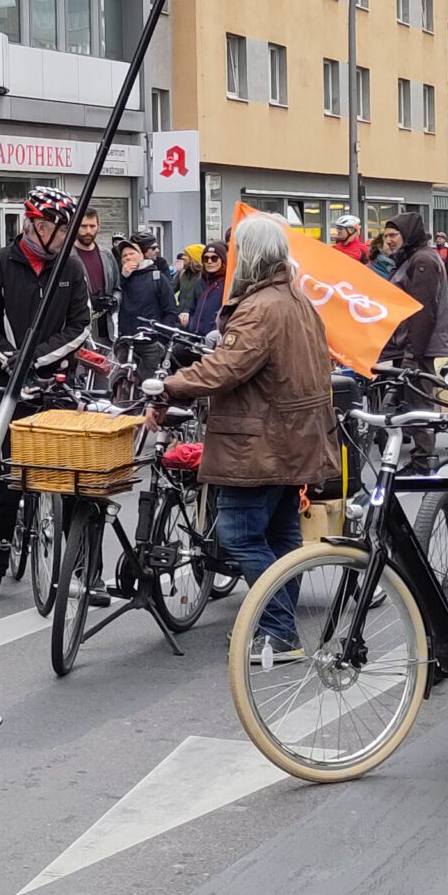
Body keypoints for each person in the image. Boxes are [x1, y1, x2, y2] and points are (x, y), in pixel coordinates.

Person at [151, 215, 335, 657]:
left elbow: (226, 368)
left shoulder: (259, 308)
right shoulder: (296, 300)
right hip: (293, 438)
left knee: (240, 535)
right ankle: (278, 630)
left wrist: (170, 385)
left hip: (258, 443)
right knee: (282, 537)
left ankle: (279, 630)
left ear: (249, 256)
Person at [0, 188, 90, 601]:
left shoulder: (71, 266)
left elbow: (81, 325)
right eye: (61, 230)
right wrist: (10, 359)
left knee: (72, 479)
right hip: (8, 383)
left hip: (56, 381)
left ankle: (83, 569)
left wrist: (35, 357)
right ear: (37, 226)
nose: (67, 238)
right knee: (7, 480)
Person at [379, 212, 448, 365]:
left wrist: (412, 355)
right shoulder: (410, 258)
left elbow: (423, 311)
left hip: (419, 351)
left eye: (393, 235)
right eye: (385, 236)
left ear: (407, 234)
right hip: (408, 347)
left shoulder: (422, 260)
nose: (388, 241)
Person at [115, 235, 175, 337]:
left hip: (153, 338)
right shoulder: (120, 280)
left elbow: (170, 310)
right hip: (127, 338)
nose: (128, 257)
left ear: (141, 256)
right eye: (124, 255)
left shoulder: (157, 277)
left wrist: (163, 336)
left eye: (132, 253)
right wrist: (123, 278)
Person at [69, 209, 112, 305]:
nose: (88, 231)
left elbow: (117, 288)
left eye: (92, 226)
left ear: (98, 228)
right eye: (83, 226)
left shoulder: (107, 255)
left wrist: (114, 300)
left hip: (106, 313)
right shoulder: (66, 257)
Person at [173, 244, 208, 321]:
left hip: (196, 319)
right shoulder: (182, 273)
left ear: (194, 257)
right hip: (179, 317)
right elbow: (169, 290)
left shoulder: (205, 276)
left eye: (186, 255)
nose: (182, 257)